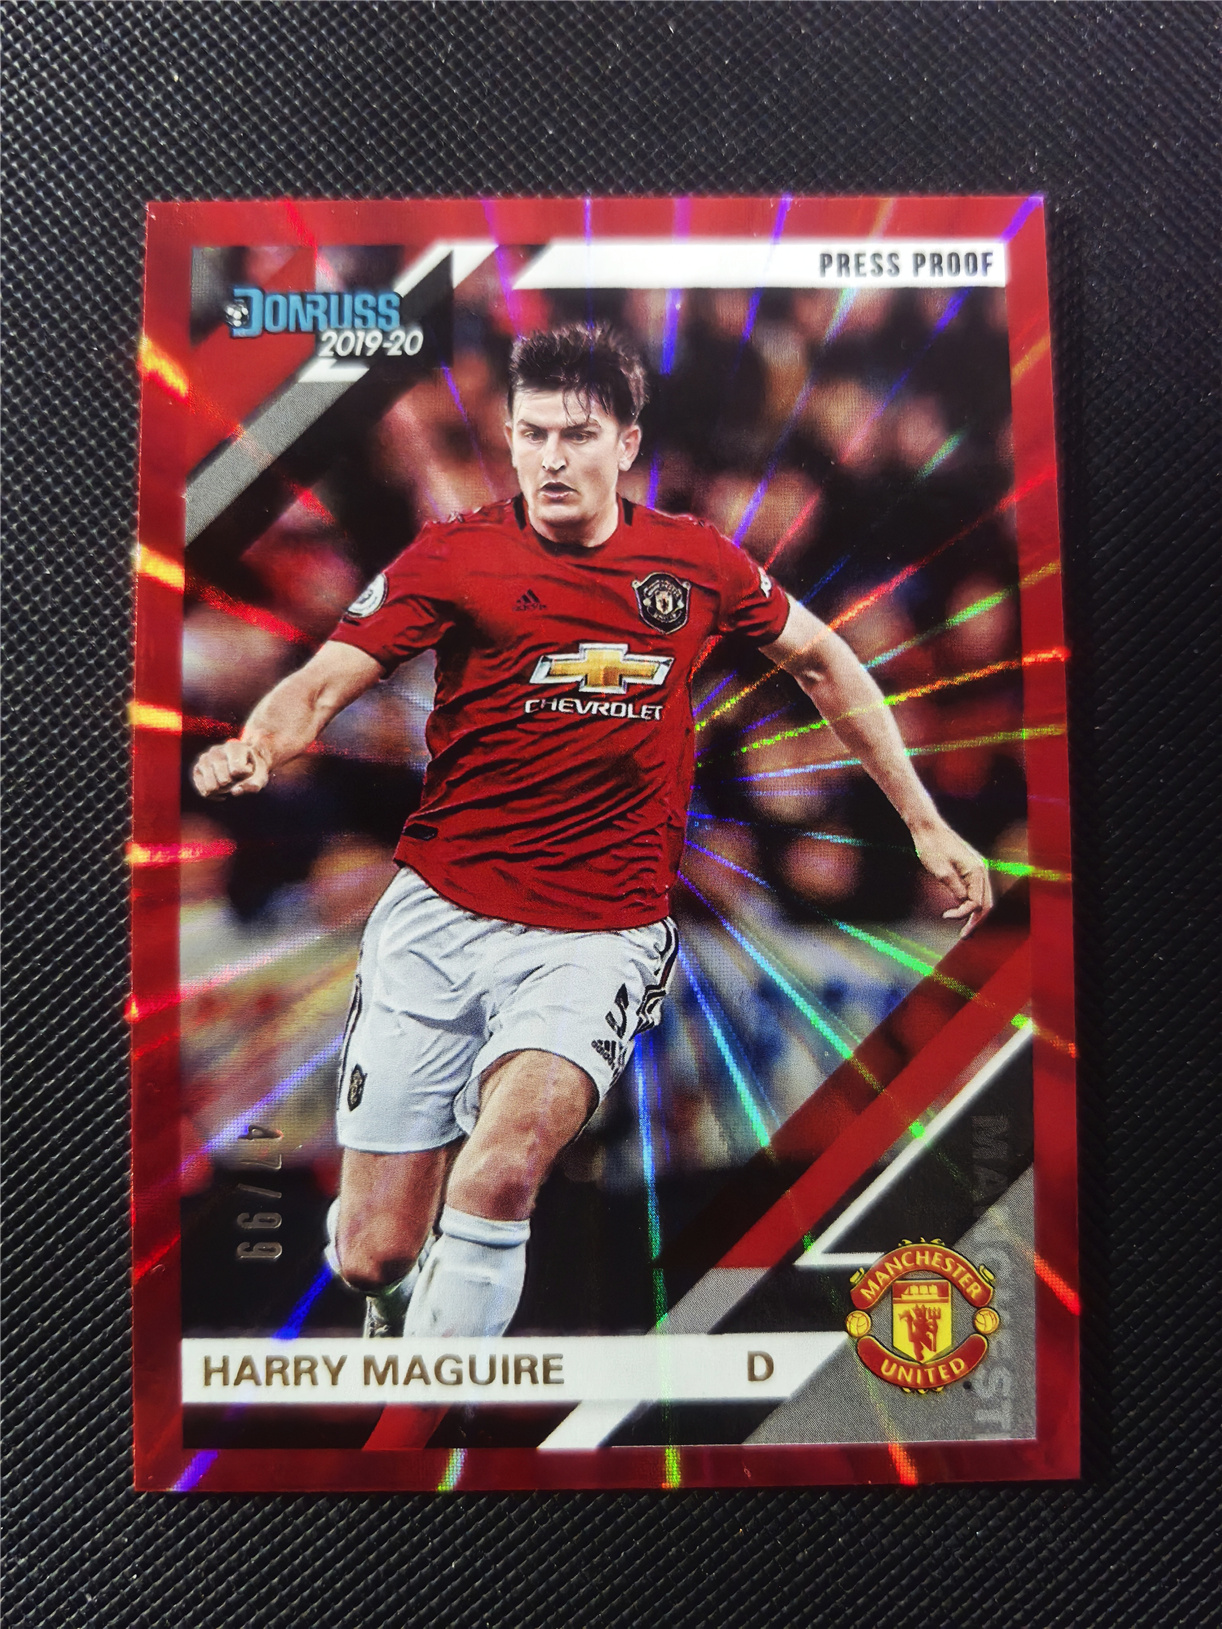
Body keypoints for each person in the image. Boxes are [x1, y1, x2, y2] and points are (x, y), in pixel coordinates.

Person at [192, 323, 992, 1340]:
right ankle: (396, 1304)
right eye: (532, 434)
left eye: (576, 435)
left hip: (596, 931)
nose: (552, 458)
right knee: (374, 1252)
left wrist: (922, 821)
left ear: (626, 442)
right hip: (441, 920)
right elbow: (320, 682)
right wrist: (262, 744)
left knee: (500, 1171)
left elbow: (827, 661)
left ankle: (440, 1406)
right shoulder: (453, 554)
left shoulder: (694, 561)